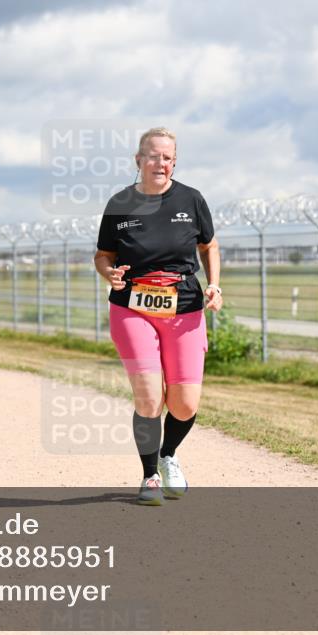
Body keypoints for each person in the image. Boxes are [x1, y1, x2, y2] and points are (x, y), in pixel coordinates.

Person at [93, 127, 222, 506]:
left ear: (174, 161)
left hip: (183, 308)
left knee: (184, 404)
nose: (159, 163)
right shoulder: (120, 203)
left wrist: (214, 284)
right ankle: (149, 475)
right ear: (138, 160)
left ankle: (168, 456)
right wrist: (108, 273)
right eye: (152, 156)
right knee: (149, 400)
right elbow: (103, 254)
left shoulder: (191, 199)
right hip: (132, 307)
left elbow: (208, 245)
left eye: (167, 157)